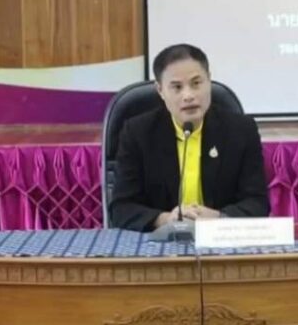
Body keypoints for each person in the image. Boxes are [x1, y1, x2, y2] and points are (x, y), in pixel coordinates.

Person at [108, 43, 270, 232]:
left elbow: (257, 203)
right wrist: (165, 219)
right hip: (159, 242)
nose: (188, 95)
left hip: (221, 240)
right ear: (160, 90)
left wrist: (219, 218)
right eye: (177, 87)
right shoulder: (138, 133)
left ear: (209, 81)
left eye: (196, 83)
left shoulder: (241, 130)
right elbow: (121, 208)